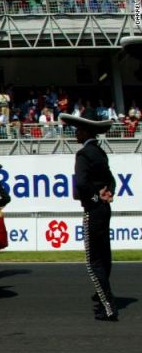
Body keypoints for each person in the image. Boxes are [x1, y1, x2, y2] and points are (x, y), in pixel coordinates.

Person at [59, 113, 118, 321]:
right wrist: (107, 193)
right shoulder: (101, 153)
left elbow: (82, 183)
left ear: (85, 131)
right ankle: (103, 297)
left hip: (93, 210)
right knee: (104, 255)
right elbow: (111, 180)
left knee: (93, 262)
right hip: (104, 209)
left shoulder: (84, 154)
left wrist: (94, 197)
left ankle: (107, 305)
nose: (76, 133)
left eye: (78, 130)